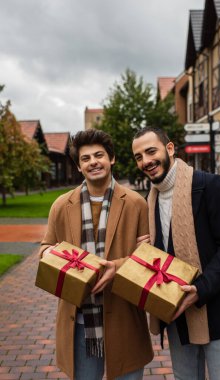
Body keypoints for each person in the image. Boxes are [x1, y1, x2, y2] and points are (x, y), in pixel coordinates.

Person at [132, 126, 220, 380]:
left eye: (151, 151)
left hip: (218, 310)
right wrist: (146, 252)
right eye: (139, 157)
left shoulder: (210, 186)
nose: (146, 161)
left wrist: (200, 289)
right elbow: (164, 256)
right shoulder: (150, 200)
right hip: (177, 315)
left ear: (170, 148)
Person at [39, 129, 153, 380]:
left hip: (124, 319)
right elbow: (46, 248)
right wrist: (49, 254)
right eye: (85, 158)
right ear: (79, 167)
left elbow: (149, 260)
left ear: (111, 159)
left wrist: (118, 266)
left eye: (99, 155)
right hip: (79, 322)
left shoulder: (136, 204)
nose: (93, 162)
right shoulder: (61, 205)